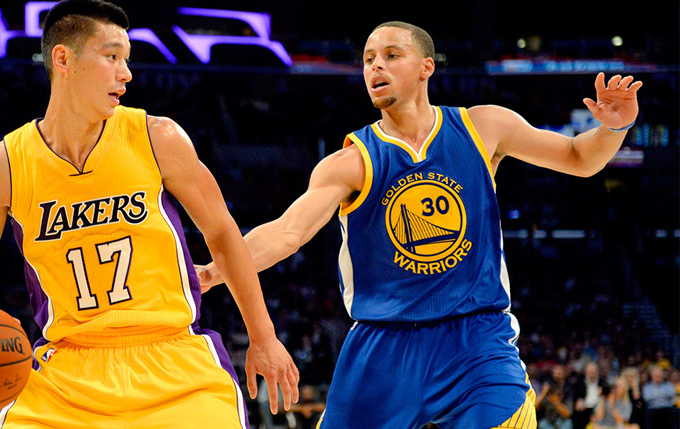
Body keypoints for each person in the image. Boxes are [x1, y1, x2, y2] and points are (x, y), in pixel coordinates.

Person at [196, 21, 642, 428]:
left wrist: (612, 130)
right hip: (383, 345)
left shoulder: (484, 126)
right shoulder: (350, 162)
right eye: (369, 59)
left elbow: (579, 158)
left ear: (426, 67)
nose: (376, 66)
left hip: (475, 339)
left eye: (391, 55)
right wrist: (216, 271)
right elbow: (287, 232)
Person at [0, 0, 299, 427]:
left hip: (174, 361)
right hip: (66, 374)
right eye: (111, 57)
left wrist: (263, 336)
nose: (126, 74)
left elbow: (222, 233)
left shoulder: (159, 138)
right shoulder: (2, 167)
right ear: (63, 59)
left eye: (126, 60)